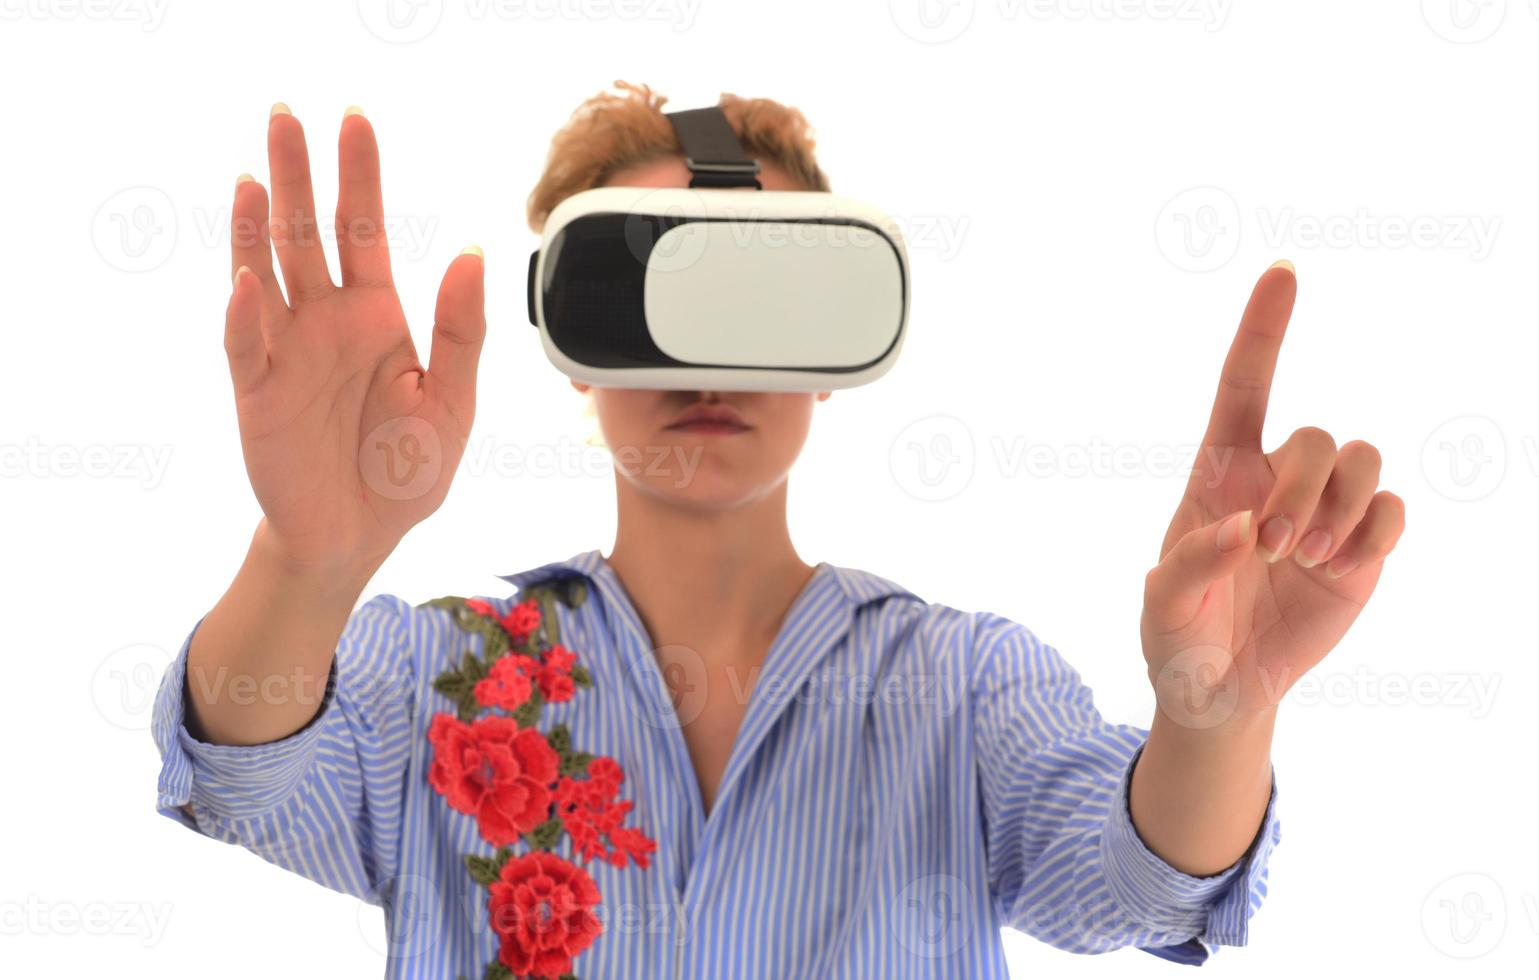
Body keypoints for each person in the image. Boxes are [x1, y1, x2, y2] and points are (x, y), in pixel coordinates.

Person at [151, 81, 1405, 980]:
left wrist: (1218, 712)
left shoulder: (964, 683)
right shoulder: (438, 672)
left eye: (766, 293)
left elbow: (1140, 884)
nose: (708, 360)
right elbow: (249, 773)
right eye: (647, 289)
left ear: (832, 355)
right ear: (574, 346)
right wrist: (308, 556)